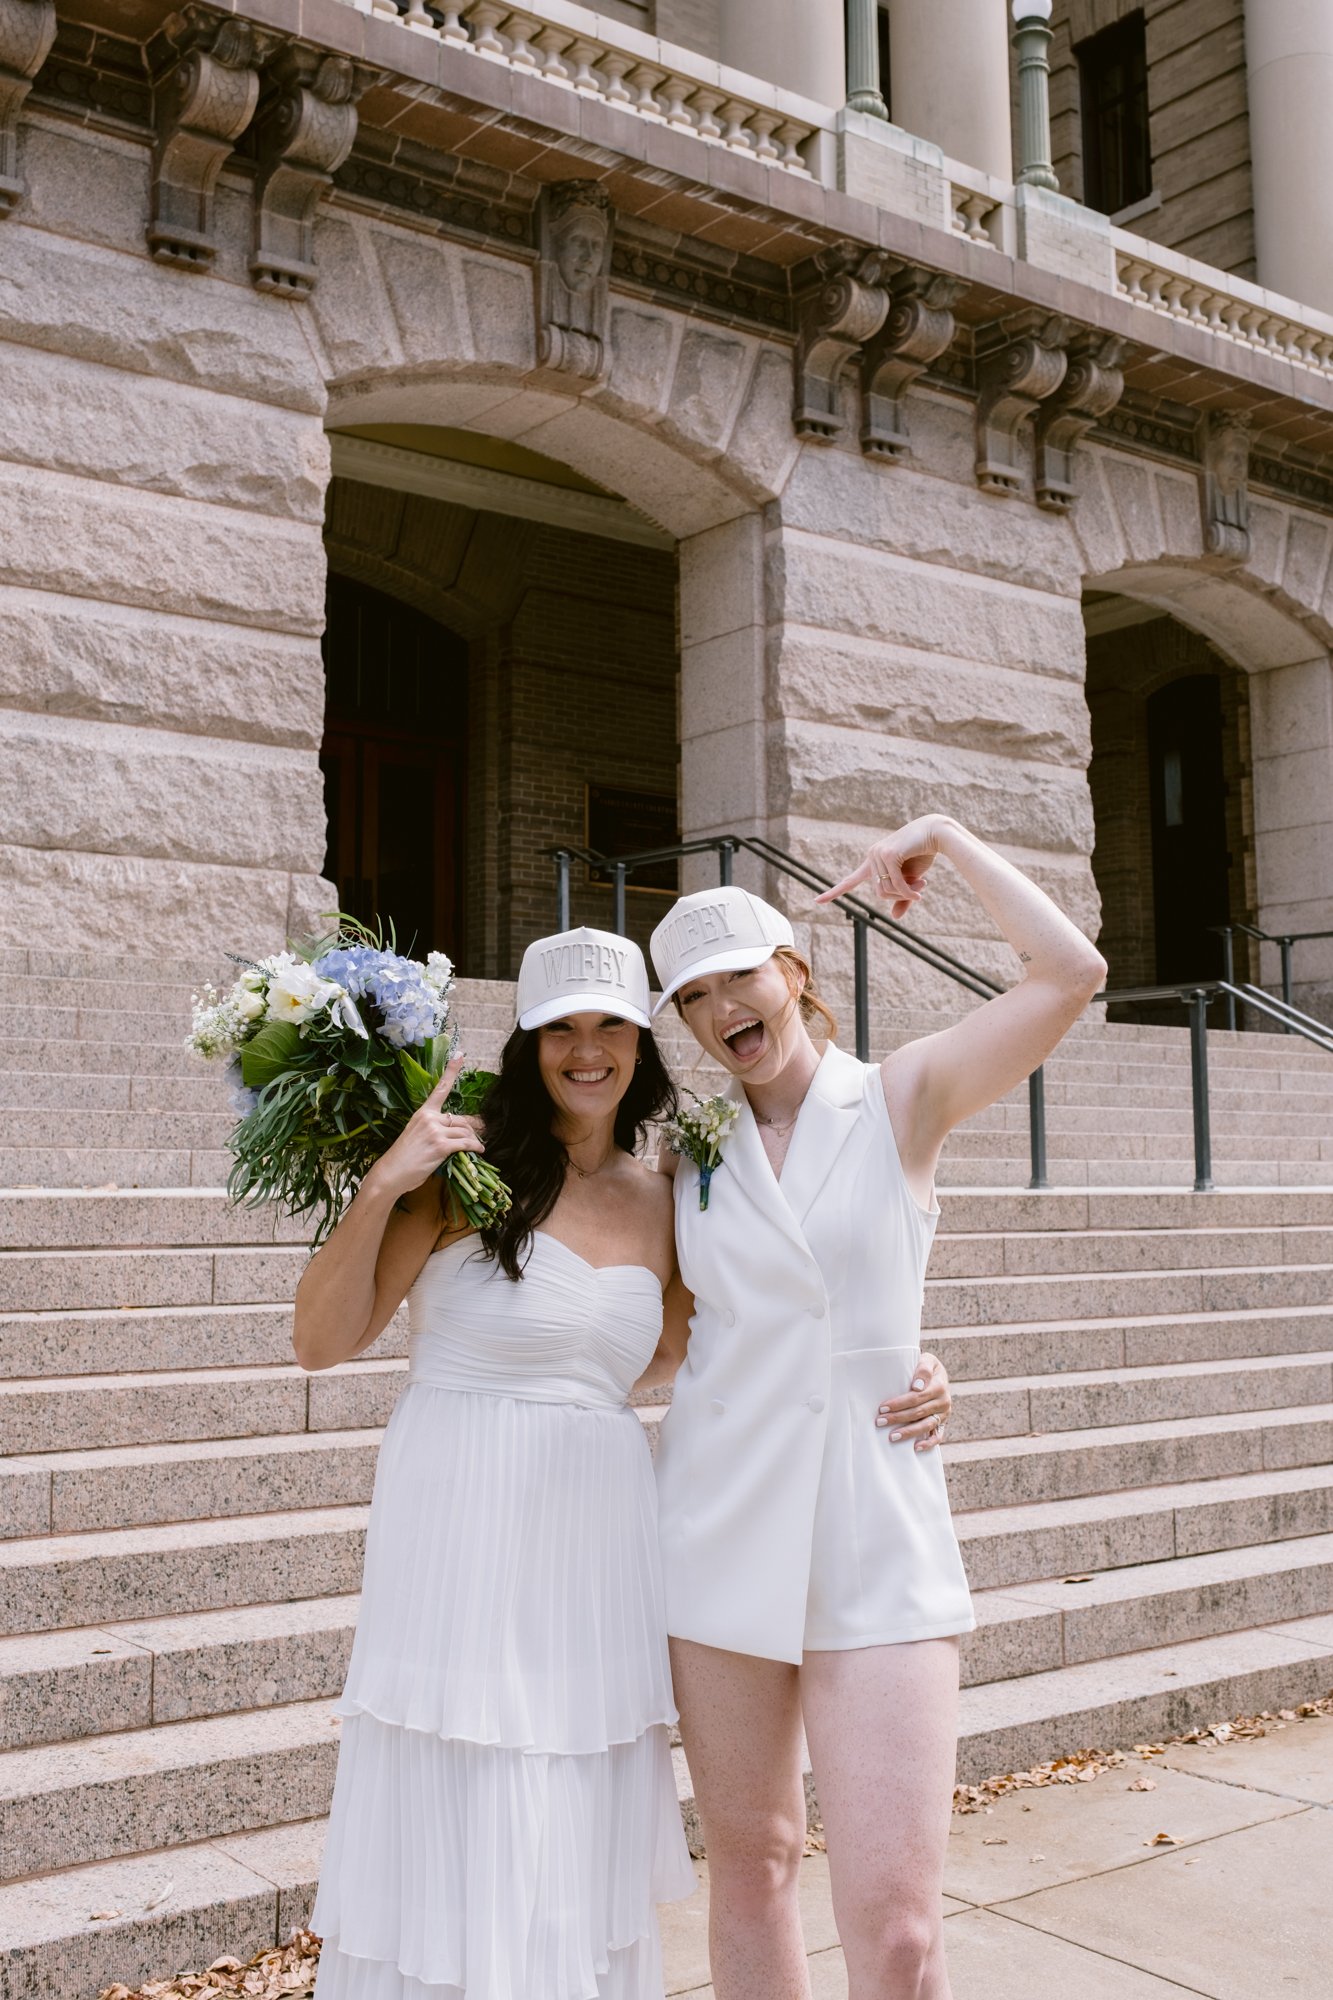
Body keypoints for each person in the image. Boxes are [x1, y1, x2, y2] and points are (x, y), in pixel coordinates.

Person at [294, 922, 954, 1998]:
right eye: (562, 1028)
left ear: (647, 1047)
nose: (587, 1050)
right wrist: (383, 1181)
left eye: (613, 1026)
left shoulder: (668, 1198)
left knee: (572, 1775)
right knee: (461, 1760)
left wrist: (911, 1365)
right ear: (530, 1043)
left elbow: (739, 1336)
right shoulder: (459, 1178)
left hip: (597, 1513)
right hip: (458, 1499)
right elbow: (319, 1341)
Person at [649, 815, 1108, 2000]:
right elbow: (662, 1330)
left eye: (738, 975)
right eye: (692, 997)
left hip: (875, 1522)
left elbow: (1071, 974)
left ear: (792, 975)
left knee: (898, 1927)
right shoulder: (687, 1150)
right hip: (720, 1525)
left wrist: (946, 839)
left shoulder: (898, 1097)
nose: (720, 1009)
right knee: (750, 1864)